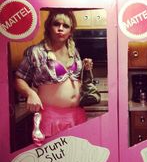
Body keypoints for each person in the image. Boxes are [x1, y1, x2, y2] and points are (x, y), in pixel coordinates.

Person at [15, 9, 93, 143]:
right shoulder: (36, 52)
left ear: (71, 30)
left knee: (76, 161)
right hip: (51, 118)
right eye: (56, 24)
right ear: (49, 26)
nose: (61, 29)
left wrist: (86, 69)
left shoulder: (73, 51)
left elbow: (74, 82)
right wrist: (30, 93)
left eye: (66, 26)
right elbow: (18, 79)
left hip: (76, 115)